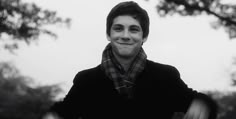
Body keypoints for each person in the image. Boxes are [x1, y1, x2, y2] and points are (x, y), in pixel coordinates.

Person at [43, 1, 218, 119]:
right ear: (108, 34)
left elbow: (199, 102)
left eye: (134, 30)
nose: (125, 35)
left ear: (145, 37)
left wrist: (203, 105)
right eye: (118, 28)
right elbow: (64, 110)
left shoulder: (166, 76)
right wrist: (52, 115)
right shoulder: (86, 80)